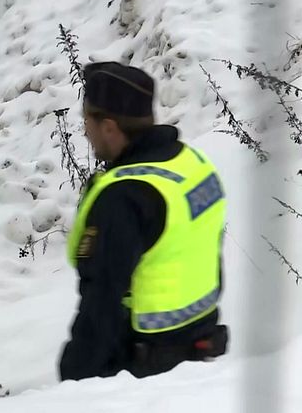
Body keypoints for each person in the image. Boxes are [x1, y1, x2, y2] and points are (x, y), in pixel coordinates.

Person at [59, 61, 229, 381]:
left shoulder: (123, 197)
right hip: (201, 350)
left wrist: (75, 377)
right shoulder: (191, 165)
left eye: (88, 121)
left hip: (142, 367)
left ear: (109, 127)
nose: (85, 131)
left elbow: (102, 303)